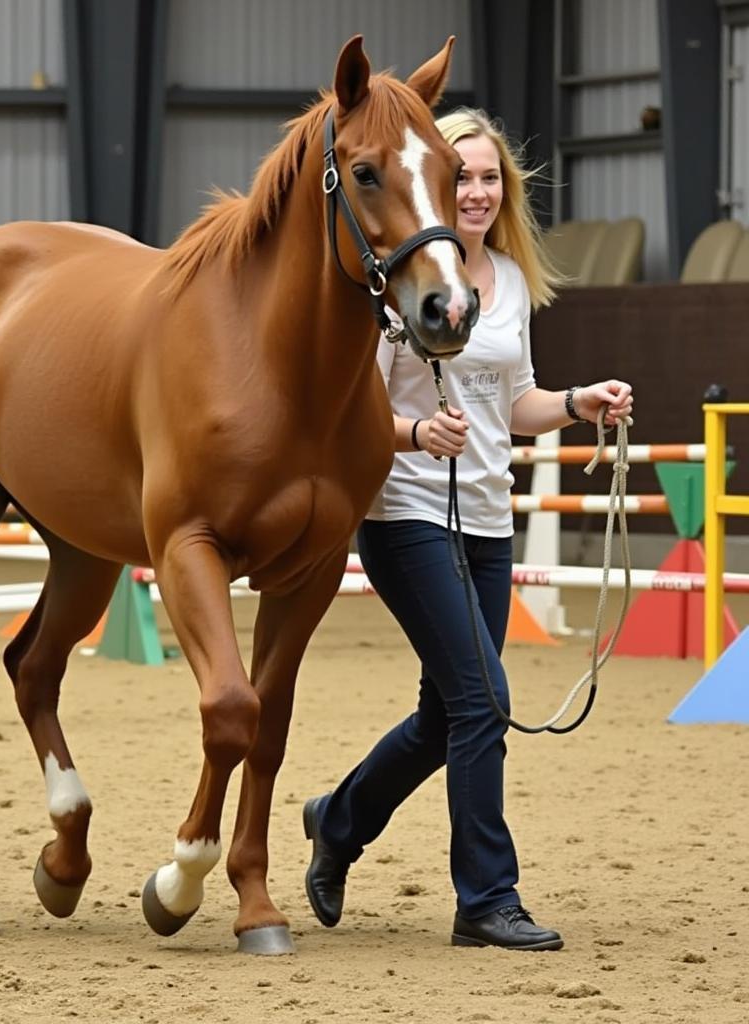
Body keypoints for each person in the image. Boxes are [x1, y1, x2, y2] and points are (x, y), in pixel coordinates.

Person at [302, 108, 634, 951]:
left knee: (449, 715)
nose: (477, 191)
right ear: (440, 184)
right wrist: (416, 433)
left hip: (488, 519)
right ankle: (487, 898)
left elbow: (514, 404)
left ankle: (337, 821)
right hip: (406, 514)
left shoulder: (512, 282)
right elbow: (353, 413)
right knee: (485, 701)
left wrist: (574, 404)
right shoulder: (395, 281)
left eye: (489, 178)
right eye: (465, 177)